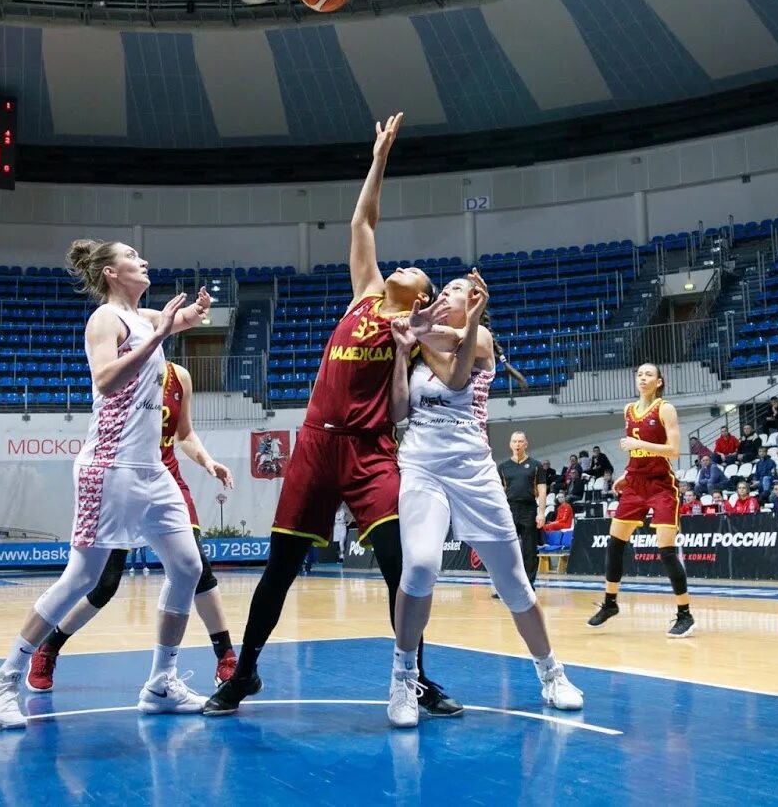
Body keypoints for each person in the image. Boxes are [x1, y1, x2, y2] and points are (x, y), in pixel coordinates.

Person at [204, 114, 463, 719]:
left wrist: (444, 327)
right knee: (279, 570)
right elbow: (362, 221)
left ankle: (414, 677)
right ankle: (244, 673)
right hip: (317, 447)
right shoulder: (365, 291)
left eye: (414, 270)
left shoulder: (421, 329)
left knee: (403, 565)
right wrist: (380, 156)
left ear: (423, 294)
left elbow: (454, 363)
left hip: (373, 451)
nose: (401, 265)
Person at [0, 241, 214, 730]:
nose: (144, 260)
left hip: (154, 470)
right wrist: (159, 336)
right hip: (110, 466)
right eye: (133, 256)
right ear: (112, 272)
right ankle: (4, 677)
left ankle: (161, 681)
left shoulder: (144, 314)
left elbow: (183, 320)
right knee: (82, 578)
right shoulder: (106, 320)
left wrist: (194, 313)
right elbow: (105, 380)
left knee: (188, 568)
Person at [383, 274, 581, 727]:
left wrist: (413, 327)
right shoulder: (417, 348)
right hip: (421, 466)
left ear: (474, 300)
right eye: (445, 289)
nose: (446, 294)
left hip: (473, 470)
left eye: (455, 289)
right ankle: (402, 679)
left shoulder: (480, 337)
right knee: (418, 567)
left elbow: (454, 376)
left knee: (514, 583)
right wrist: (399, 350)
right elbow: (398, 413)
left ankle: (552, 674)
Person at [27, 360, 240, 691]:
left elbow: (184, 434)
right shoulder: (120, 370)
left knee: (196, 568)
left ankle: (224, 656)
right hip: (122, 482)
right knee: (104, 583)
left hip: (166, 481)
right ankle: (49, 646)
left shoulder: (178, 376)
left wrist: (208, 461)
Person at [587, 362, 696, 638]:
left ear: (659, 381)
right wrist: (626, 474)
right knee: (615, 543)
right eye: (639, 374)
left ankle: (685, 614)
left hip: (661, 485)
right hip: (635, 482)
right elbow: (634, 452)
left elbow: (674, 451)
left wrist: (641, 446)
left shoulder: (665, 408)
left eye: (649, 374)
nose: (643, 378)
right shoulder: (628, 410)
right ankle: (610, 603)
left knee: (666, 550)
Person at [497, 431, 542, 584]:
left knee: (530, 549)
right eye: (514, 441)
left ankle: (529, 584)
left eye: (520, 441)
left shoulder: (536, 465)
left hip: (529, 509)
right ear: (510, 444)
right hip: (509, 509)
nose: (517, 444)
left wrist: (541, 513)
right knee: (506, 549)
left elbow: (542, 490)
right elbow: (499, 492)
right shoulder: (503, 467)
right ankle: (506, 584)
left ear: (525, 444)